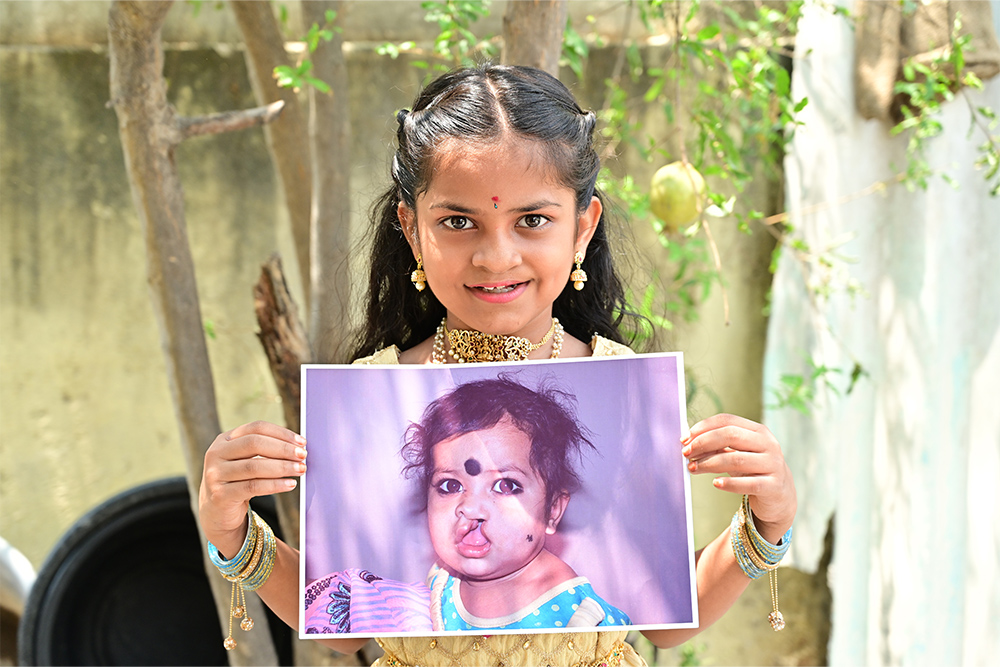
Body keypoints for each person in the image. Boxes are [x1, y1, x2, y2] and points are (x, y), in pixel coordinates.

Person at [199, 63, 797, 666]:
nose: (496, 256)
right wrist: (235, 535)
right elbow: (347, 623)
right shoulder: (374, 392)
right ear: (411, 228)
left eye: (532, 220)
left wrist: (765, 525)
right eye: (458, 222)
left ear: (582, 228)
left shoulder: (626, 389)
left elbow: (666, 618)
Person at [301, 375, 630, 634]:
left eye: (505, 486)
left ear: (553, 511)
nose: (470, 508)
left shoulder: (581, 616)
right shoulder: (435, 592)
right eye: (450, 485)